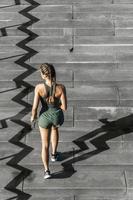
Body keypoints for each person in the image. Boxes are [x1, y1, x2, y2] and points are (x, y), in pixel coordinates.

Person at [30, 63, 67, 179]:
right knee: (55, 129)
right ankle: (54, 155)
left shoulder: (38, 88)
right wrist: (55, 106)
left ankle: (47, 171)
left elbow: (35, 107)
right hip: (56, 116)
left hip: (44, 118)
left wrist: (33, 116)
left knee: (44, 145)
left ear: (43, 75)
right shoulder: (61, 88)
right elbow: (65, 107)